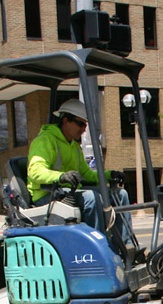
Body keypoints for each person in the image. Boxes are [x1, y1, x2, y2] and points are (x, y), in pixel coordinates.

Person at [27, 99, 106, 232]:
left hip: (67, 191)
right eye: (80, 124)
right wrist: (61, 176)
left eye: (85, 125)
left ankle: (124, 244)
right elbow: (35, 171)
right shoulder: (45, 140)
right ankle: (98, 245)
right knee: (92, 198)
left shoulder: (74, 146)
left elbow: (87, 175)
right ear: (65, 120)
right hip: (47, 195)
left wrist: (109, 176)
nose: (83, 129)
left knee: (120, 194)